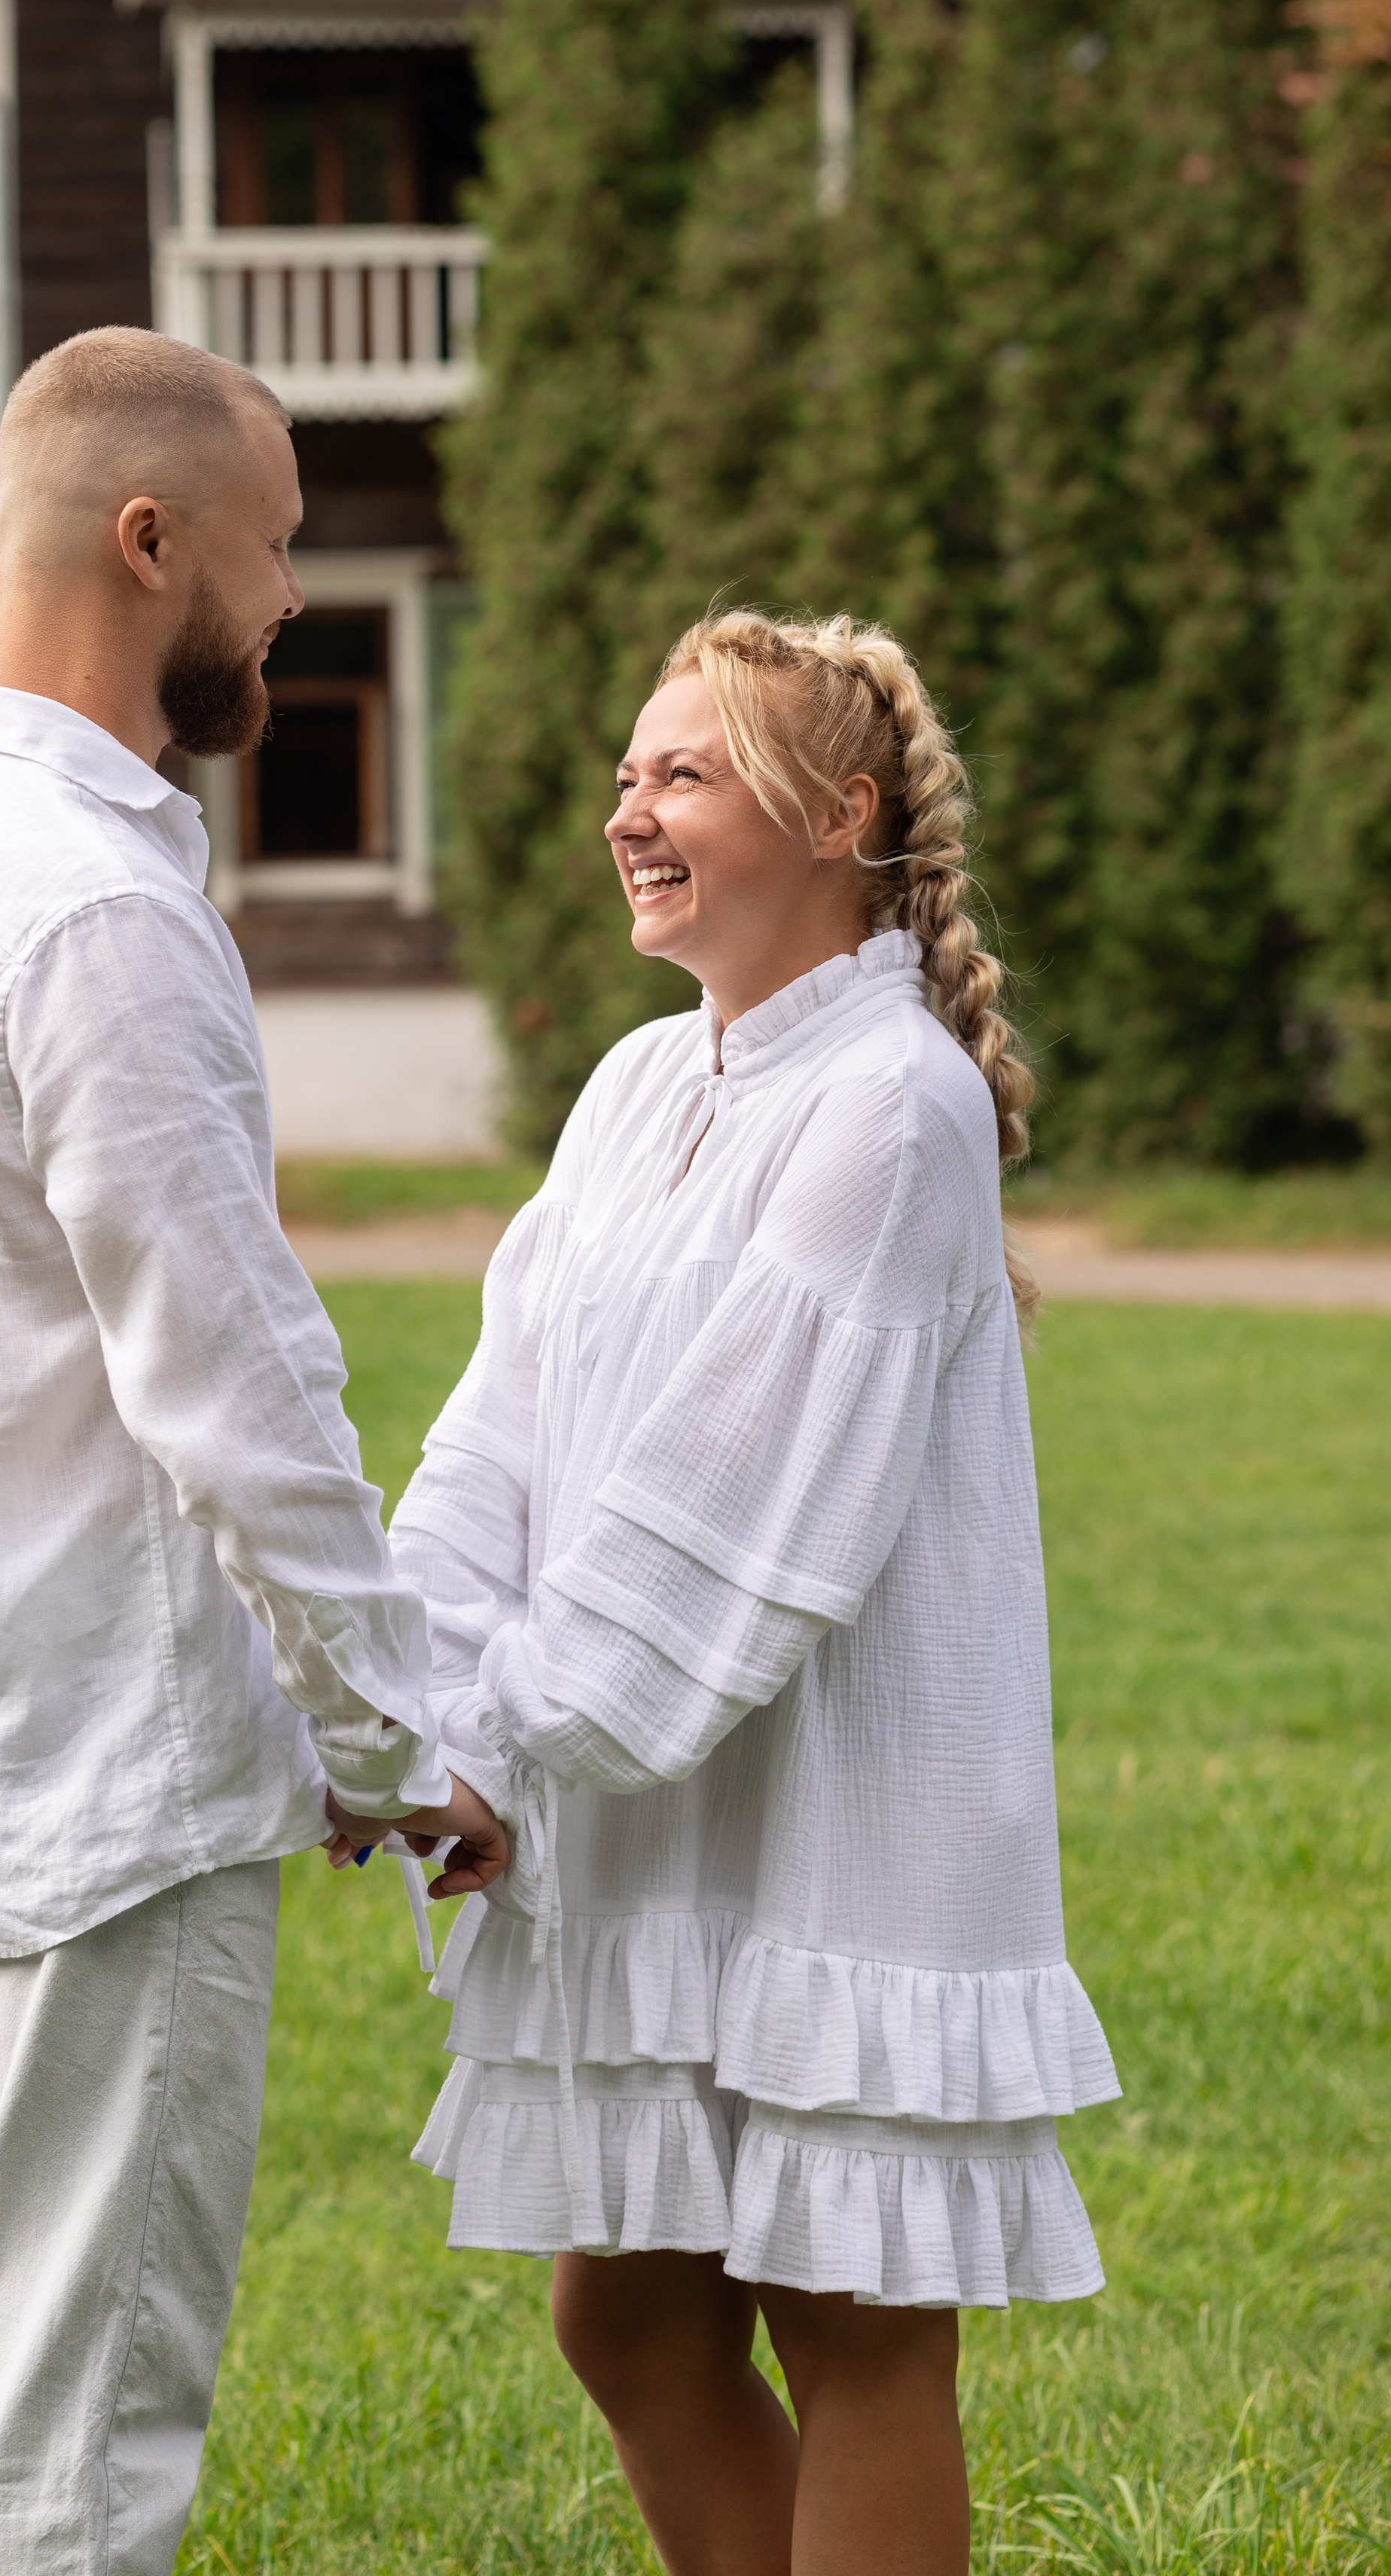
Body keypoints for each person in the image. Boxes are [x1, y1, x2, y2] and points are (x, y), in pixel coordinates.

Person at [0, 325, 506, 2576]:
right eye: (279, 546)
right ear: (150, 540)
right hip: (105, 1751)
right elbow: (239, 1391)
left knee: (27, 2347)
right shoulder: (102, 909)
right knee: (92, 2429)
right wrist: (396, 1745)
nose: (293, 597)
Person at [358, 610, 1119, 2576]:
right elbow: (502, 1434)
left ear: (839, 812)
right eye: (630, 773)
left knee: (853, 2330)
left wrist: (507, 1740)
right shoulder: (630, 1087)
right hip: (652, 1790)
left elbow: (736, 1515)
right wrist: (409, 1690)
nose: (631, 808)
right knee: (630, 2313)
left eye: (681, 772)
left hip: (836, 1812)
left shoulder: (889, 1104)